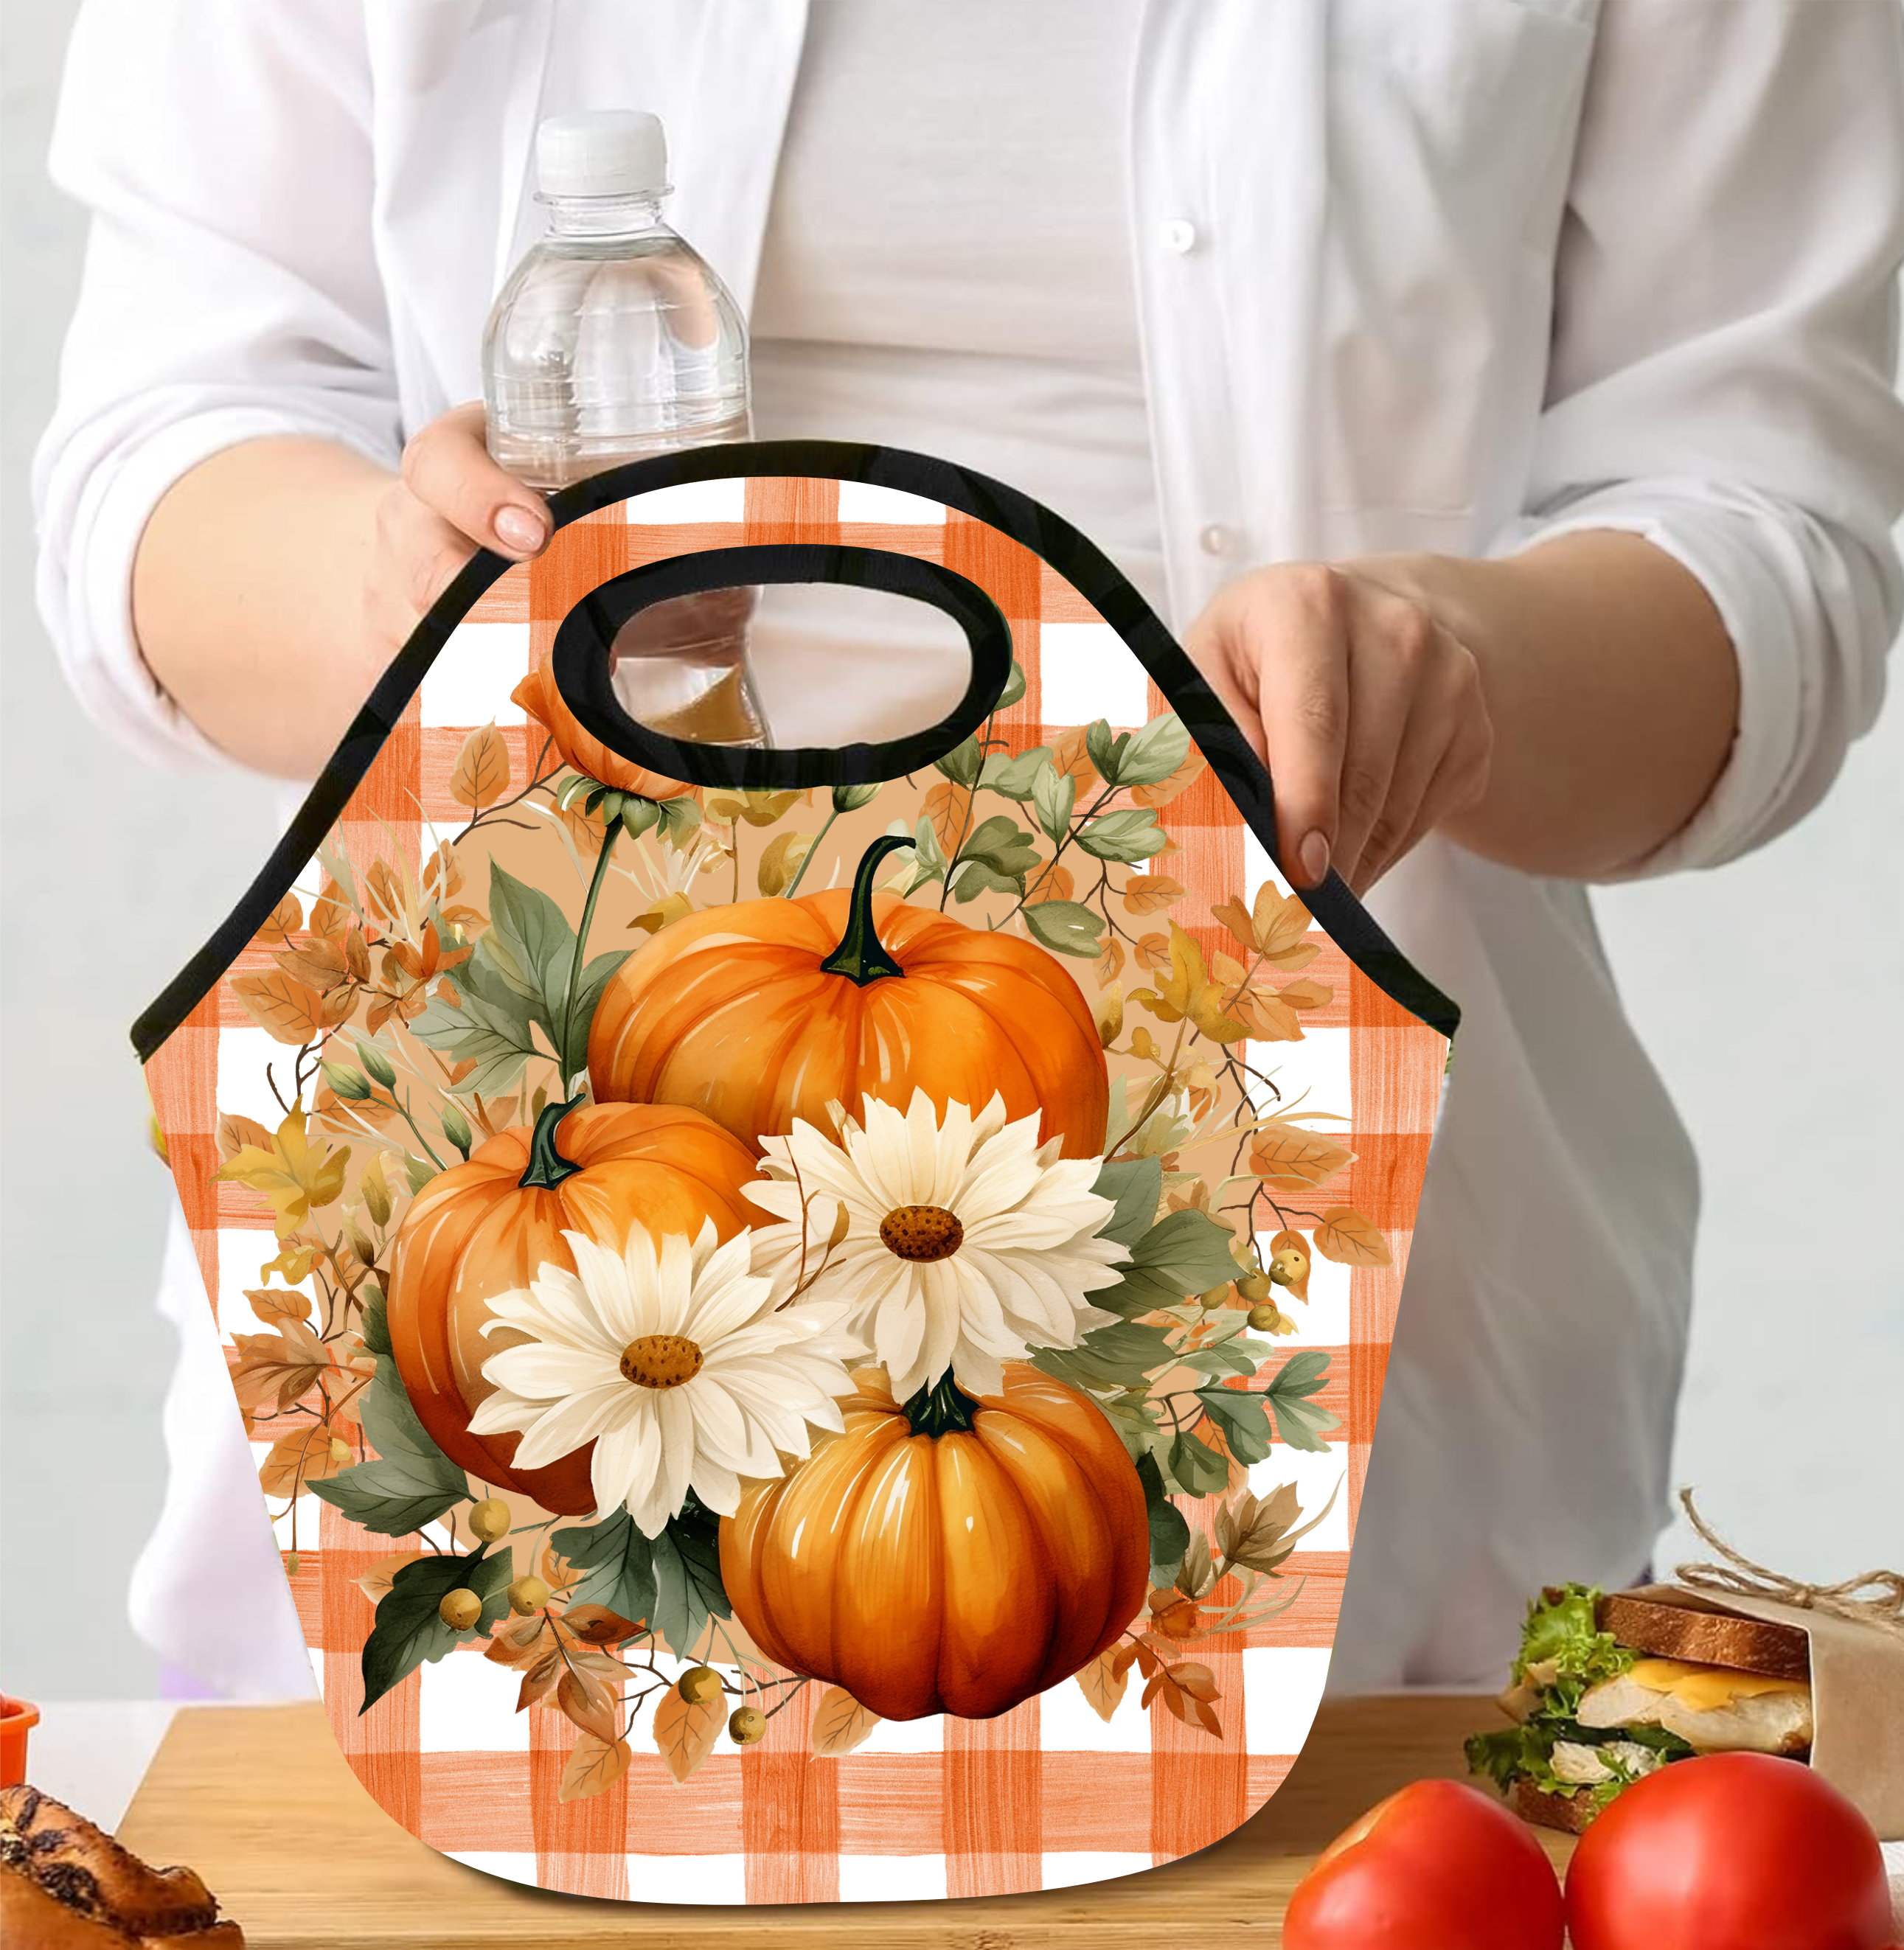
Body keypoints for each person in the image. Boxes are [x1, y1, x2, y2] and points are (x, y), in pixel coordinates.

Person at [32, 0, 1904, 1700]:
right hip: (514, 1306)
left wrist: (1461, 668)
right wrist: (399, 595)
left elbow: (1769, 515)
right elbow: (162, 444)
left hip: (1376, 1361)